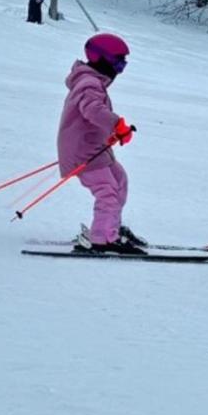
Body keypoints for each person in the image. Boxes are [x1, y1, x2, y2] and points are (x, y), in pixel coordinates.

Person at [56, 32, 144, 254]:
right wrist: (117, 125)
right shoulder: (89, 83)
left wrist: (113, 133)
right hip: (83, 151)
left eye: (124, 63)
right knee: (107, 192)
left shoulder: (93, 81)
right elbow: (93, 110)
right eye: (118, 62)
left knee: (119, 180)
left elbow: (92, 117)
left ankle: (111, 227)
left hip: (93, 147)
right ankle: (102, 239)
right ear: (100, 59)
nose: (120, 69)